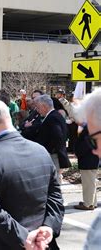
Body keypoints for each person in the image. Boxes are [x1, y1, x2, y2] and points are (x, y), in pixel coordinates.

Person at [0, 99, 64, 250]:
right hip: (41, 242)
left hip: (0, 243)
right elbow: (55, 196)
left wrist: (25, 237)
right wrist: (48, 228)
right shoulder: (40, 151)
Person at [76, 89, 101, 249]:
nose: (96, 149)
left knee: (90, 182)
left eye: (96, 140)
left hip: (88, 162)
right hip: (88, 162)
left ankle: (88, 203)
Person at [33, 95, 70, 178]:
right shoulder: (54, 116)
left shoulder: (53, 117)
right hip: (53, 155)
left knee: (54, 183)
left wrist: (48, 150)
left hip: (53, 156)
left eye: (38, 108)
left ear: (44, 106)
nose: (37, 111)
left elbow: (58, 136)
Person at [73, 124, 99, 210]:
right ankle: (92, 202)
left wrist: (78, 152)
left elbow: (87, 143)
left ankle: (87, 204)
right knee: (91, 182)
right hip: (92, 157)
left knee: (88, 182)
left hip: (88, 157)